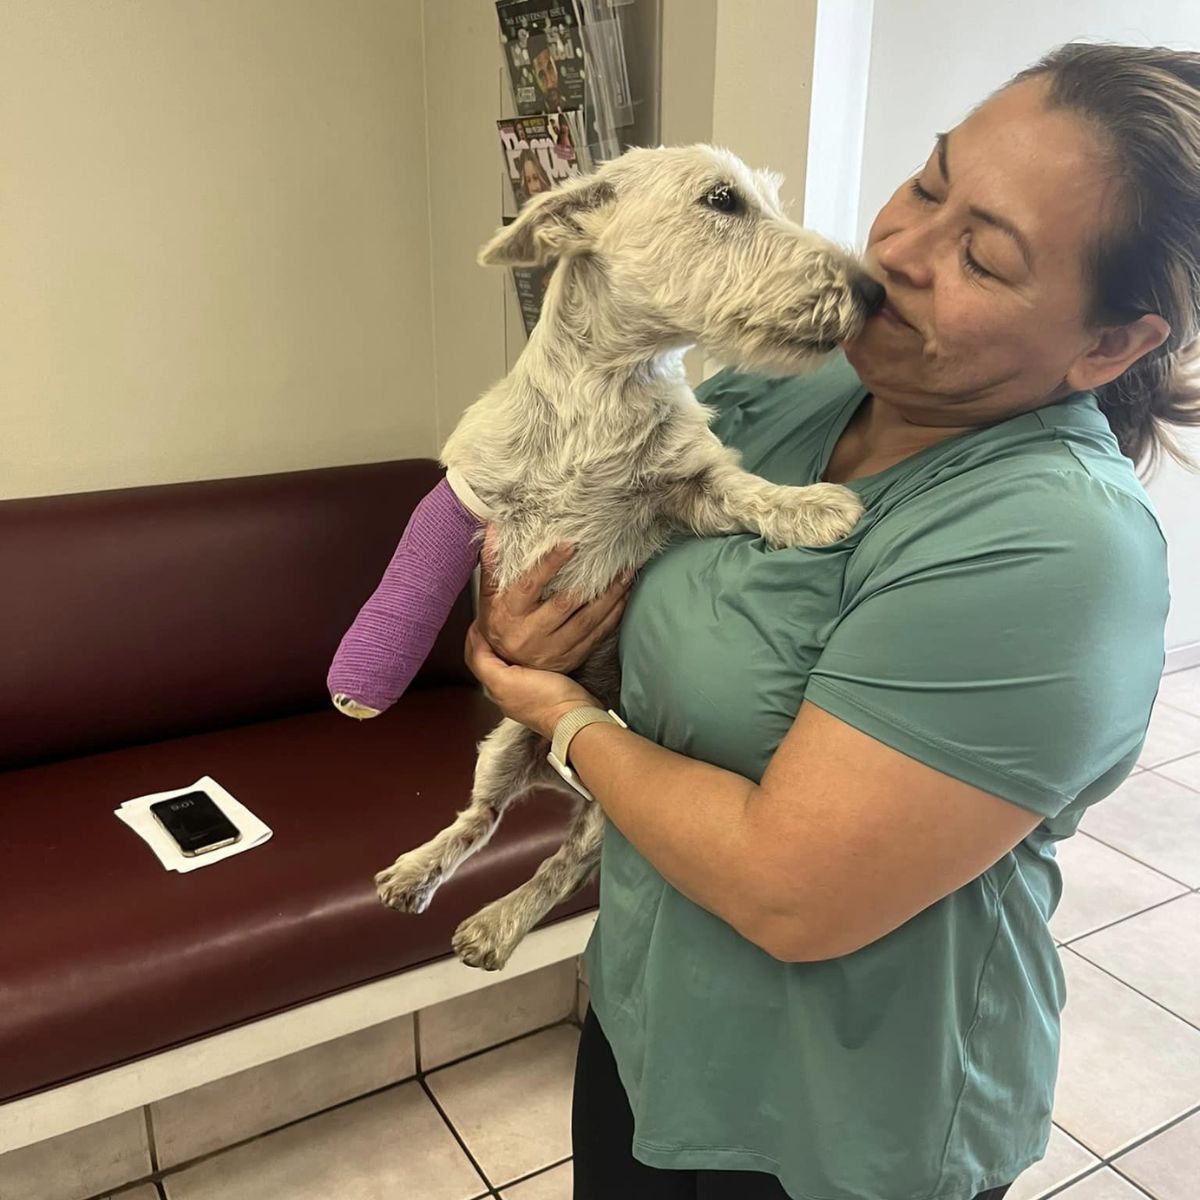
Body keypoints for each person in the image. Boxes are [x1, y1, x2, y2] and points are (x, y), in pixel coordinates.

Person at [466, 42, 1199, 1200]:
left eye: (982, 253)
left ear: (1109, 345)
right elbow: (567, 544)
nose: (894, 250)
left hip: (839, 1119)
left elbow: (792, 891)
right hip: (652, 1016)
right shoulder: (789, 383)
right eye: (928, 181)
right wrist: (520, 622)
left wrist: (555, 714)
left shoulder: (1055, 551)